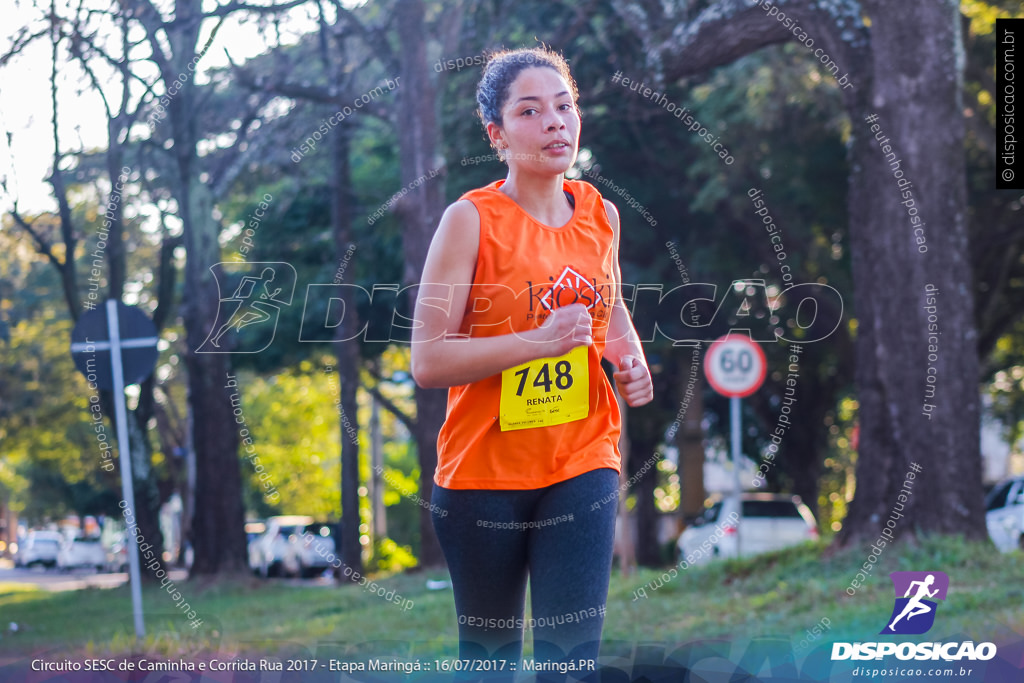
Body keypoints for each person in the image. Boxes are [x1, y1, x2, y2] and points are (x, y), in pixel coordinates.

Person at [411, 46, 653, 678]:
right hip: (481, 478)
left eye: (565, 105)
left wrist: (628, 355)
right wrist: (537, 343)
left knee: (569, 665)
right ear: (497, 134)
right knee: (488, 665)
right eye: (531, 110)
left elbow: (611, 304)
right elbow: (429, 360)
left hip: (582, 458)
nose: (555, 122)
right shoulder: (470, 220)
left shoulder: (602, 214)